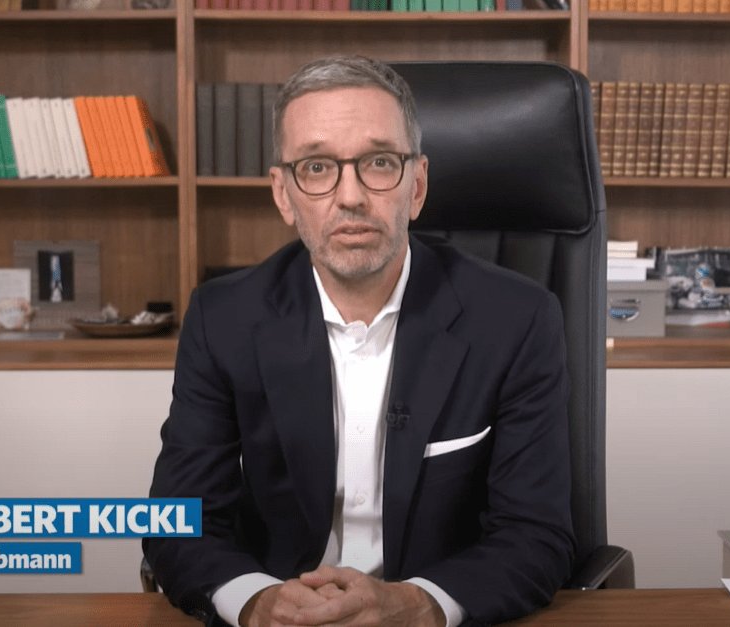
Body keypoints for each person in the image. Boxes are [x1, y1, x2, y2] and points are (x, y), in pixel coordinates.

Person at [146, 55, 575, 627]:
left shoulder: (517, 320)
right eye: (317, 167)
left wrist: (417, 605)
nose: (350, 196)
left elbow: (536, 535)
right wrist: (255, 601)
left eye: (378, 162)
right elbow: (177, 523)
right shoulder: (222, 319)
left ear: (417, 186)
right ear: (283, 194)